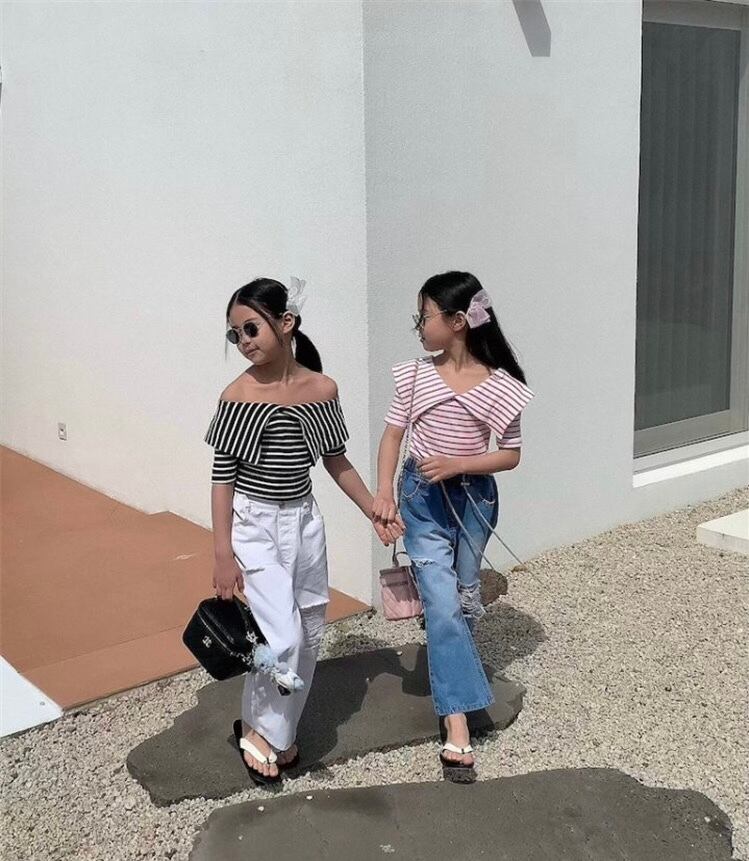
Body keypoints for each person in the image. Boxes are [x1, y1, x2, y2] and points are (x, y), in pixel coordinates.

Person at [207, 276, 402, 785]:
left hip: (304, 520)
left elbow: (336, 460)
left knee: (310, 630)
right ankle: (260, 731)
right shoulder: (238, 396)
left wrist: (374, 510)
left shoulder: (322, 390)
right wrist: (222, 552)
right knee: (282, 634)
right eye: (235, 334)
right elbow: (223, 479)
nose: (243, 341)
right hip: (254, 524)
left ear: (286, 323)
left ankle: (279, 731)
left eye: (251, 328)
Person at [373, 271, 534, 783]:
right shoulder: (414, 377)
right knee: (443, 605)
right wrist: (383, 494)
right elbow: (392, 437)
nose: (419, 326)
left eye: (424, 316)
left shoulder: (501, 386)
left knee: (463, 600)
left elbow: (510, 455)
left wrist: (460, 464)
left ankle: (450, 656)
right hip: (421, 500)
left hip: (474, 504)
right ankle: (457, 720)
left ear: (458, 322)